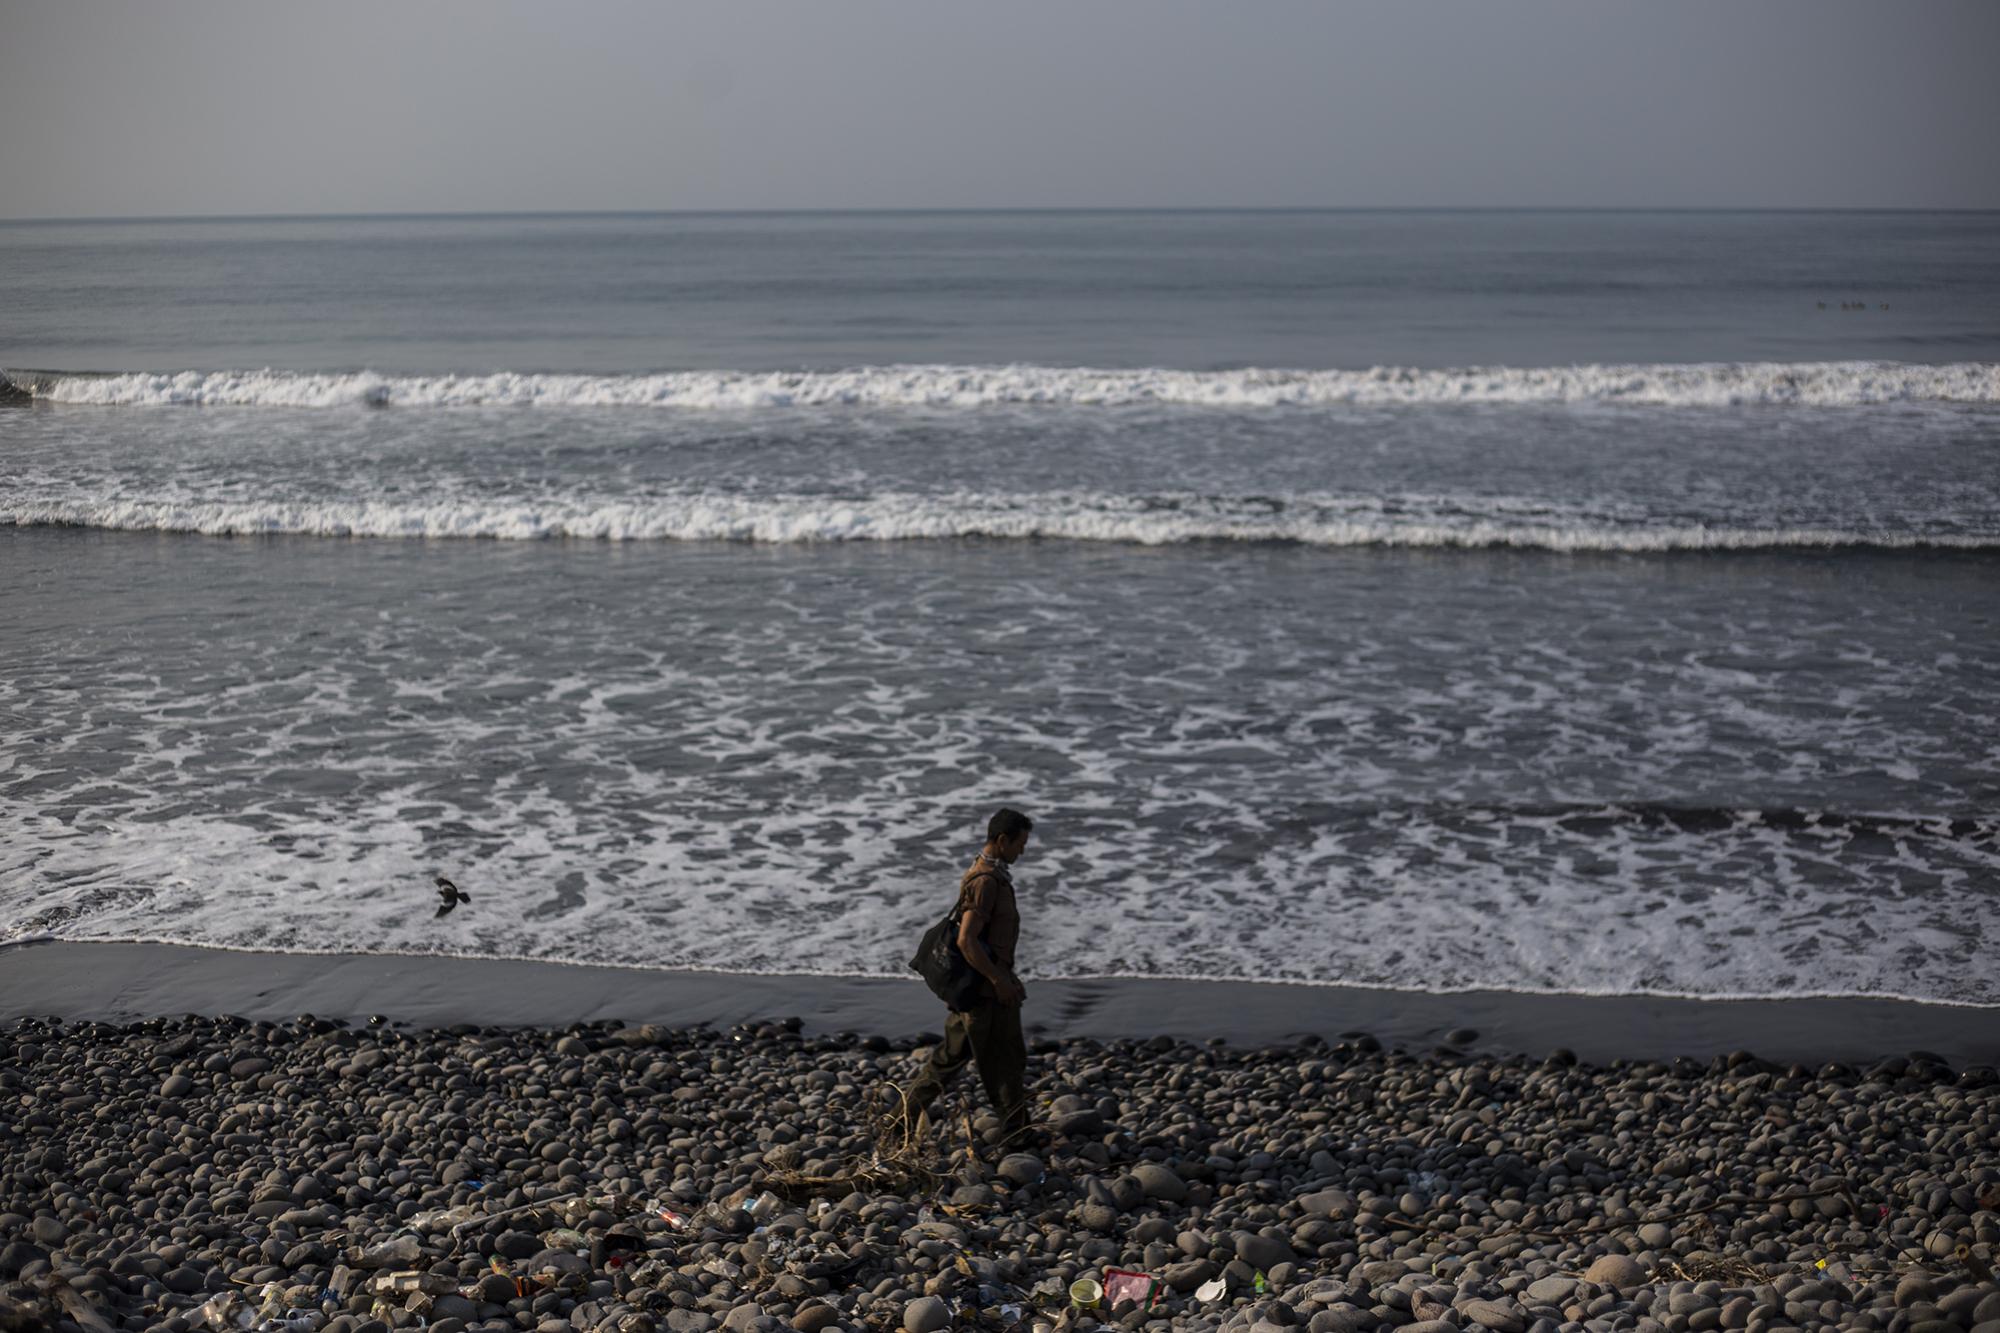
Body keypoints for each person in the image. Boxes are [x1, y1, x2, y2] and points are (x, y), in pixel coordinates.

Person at [898, 807, 1034, 1143]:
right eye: (1020, 843)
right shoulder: (986, 881)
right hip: (986, 994)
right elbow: (966, 939)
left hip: (981, 990)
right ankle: (1018, 1132)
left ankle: (897, 1121)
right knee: (1002, 1062)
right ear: (1002, 840)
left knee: (951, 1061)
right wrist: (999, 981)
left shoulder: (986, 874)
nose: (1023, 851)